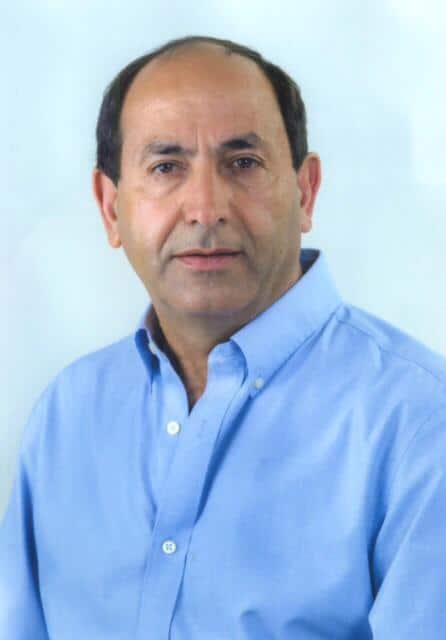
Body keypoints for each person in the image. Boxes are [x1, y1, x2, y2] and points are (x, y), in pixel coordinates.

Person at [1, 34, 445, 640]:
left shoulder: (420, 424)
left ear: (306, 192)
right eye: (166, 167)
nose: (205, 208)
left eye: (243, 163)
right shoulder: (68, 414)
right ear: (110, 207)